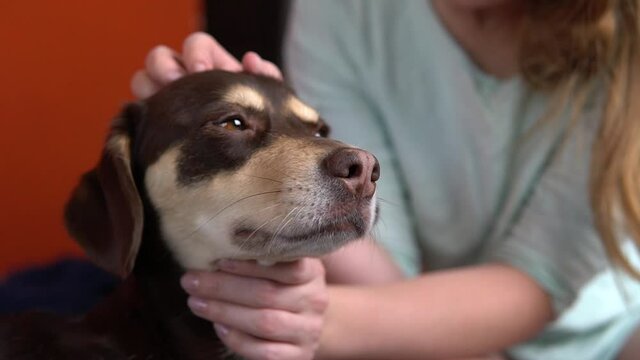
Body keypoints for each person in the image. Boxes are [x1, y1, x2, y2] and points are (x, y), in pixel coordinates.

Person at [130, 1, 640, 359]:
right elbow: (375, 249)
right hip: (400, 316)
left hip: (602, 337)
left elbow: (537, 283)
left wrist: (321, 324)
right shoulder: (341, 9)